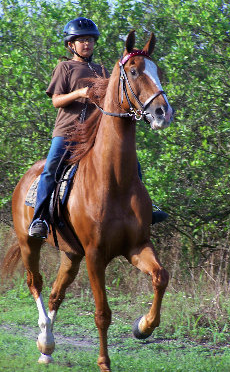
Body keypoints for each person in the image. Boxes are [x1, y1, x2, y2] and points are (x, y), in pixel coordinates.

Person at [29, 17, 167, 239]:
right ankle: (40, 218)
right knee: (51, 168)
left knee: (133, 166)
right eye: (82, 40)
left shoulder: (101, 70)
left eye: (90, 40)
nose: (87, 44)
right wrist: (80, 93)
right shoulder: (64, 67)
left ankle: (147, 208)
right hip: (67, 133)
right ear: (70, 44)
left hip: (95, 135)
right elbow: (56, 100)